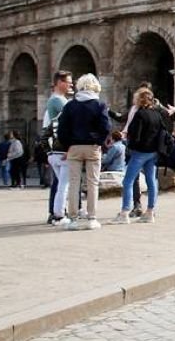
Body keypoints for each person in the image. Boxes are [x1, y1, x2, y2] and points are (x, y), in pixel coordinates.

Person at [56, 73, 112, 230]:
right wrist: (99, 141)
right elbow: (106, 127)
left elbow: (62, 129)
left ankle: (73, 219)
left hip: (74, 147)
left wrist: (68, 144)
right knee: (92, 182)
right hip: (93, 147)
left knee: (74, 183)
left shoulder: (70, 105)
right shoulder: (99, 105)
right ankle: (92, 218)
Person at [110, 88, 165, 225]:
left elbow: (135, 135)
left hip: (140, 152)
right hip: (153, 152)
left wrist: (129, 142)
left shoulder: (140, 114)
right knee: (151, 181)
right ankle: (150, 212)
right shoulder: (157, 114)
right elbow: (162, 132)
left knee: (127, 181)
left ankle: (124, 212)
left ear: (139, 100)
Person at [43, 71, 73, 223]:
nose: (71, 84)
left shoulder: (57, 100)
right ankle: (58, 214)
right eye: (68, 81)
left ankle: (57, 212)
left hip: (55, 149)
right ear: (59, 82)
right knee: (63, 185)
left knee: (61, 184)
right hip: (62, 148)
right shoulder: (57, 101)